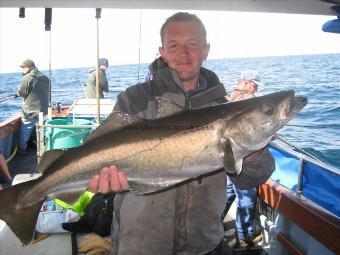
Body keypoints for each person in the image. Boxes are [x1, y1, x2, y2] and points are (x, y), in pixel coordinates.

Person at [88, 12, 275, 255]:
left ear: (206, 50)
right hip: (139, 246)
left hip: (205, 244)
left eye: (192, 44)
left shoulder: (223, 108)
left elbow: (250, 179)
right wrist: (105, 183)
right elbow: (104, 144)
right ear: (162, 51)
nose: (183, 53)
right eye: (174, 45)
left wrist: (253, 153)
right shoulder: (134, 99)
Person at [222, 70, 263, 249]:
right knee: (246, 198)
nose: (256, 88)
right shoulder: (247, 102)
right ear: (247, 83)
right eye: (255, 84)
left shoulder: (231, 98)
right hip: (243, 162)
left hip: (226, 161)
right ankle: (244, 237)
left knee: (228, 192)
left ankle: (214, 223)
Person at [16, 59, 49, 154]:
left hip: (30, 111)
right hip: (43, 111)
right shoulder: (44, 77)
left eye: (23, 67)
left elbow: (22, 92)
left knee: (25, 131)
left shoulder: (27, 77)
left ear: (29, 67)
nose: (22, 70)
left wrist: (17, 93)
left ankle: (22, 150)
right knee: (42, 131)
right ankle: (44, 150)